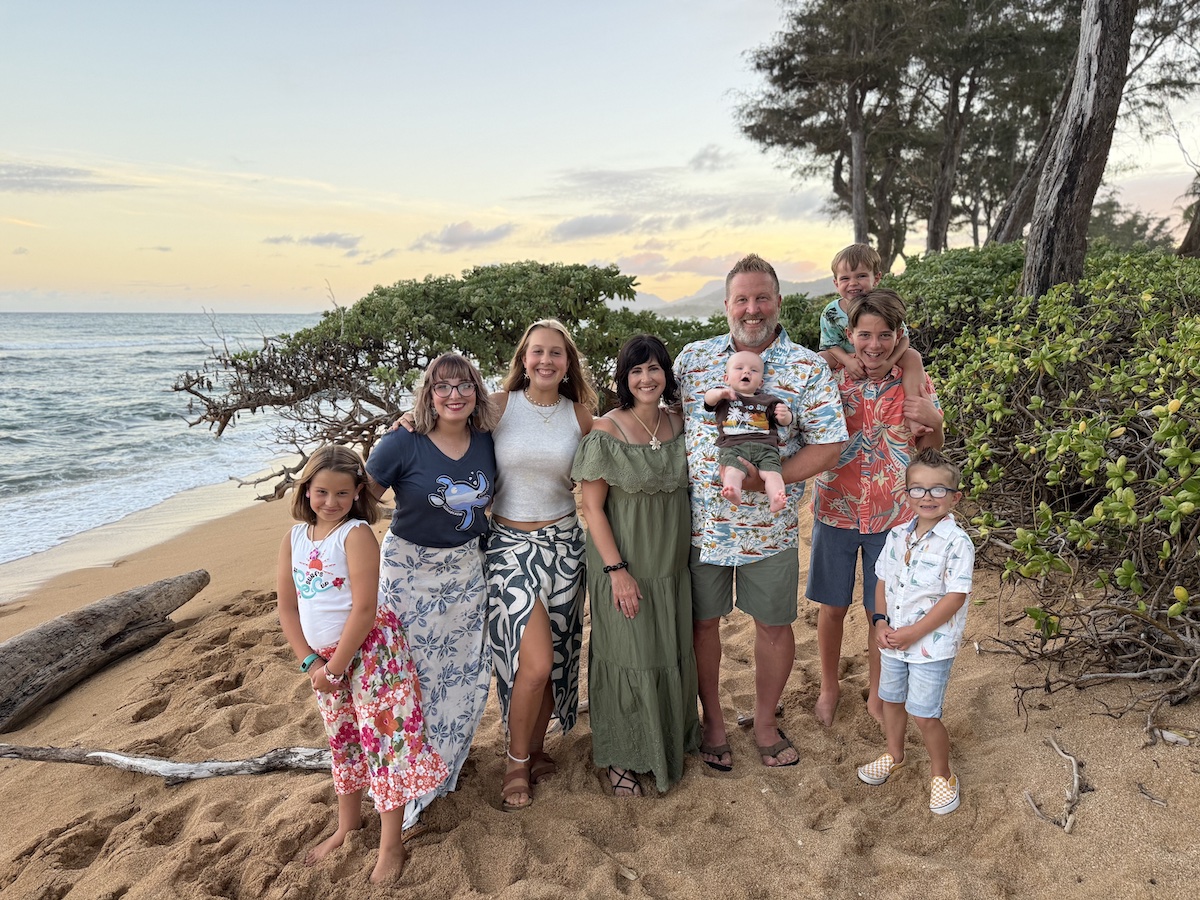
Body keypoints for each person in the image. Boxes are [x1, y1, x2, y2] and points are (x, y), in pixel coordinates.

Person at [675, 253, 848, 771]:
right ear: (726, 305)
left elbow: (828, 447)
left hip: (770, 530)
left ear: (778, 301)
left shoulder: (807, 367)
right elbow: (646, 411)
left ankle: (767, 720)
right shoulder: (692, 360)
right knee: (704, 626)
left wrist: (765, 482)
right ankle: (713, 722)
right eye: (742, 300)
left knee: (773, 626)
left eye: (762, 298)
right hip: (701, 526)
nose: (752, 310)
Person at [276, 446, 448, 883]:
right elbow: (288, 609)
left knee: (385, 744)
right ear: (306, 491)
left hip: (371, 655)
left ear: (356, 494)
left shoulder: (355, 535)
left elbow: (365, 609)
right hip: (324, 664)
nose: (330, 502)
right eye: (321, 492)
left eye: (341, 493)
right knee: (344, 739)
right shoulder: (294, 539)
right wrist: (310, 661)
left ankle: (391, 842)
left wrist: (336, 667)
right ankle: (347, 823)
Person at [365, 354, 498, 835]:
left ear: (476, 391)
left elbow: (533, 406)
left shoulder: (487, 436)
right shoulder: (402, 441)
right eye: (442, 387)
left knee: (461, 677)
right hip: (407, 574)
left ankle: (440, 772)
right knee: (411, 678)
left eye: (464, 385)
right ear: (428, 394)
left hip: (465, 570)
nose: (454, 395)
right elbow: (361, 501)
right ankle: (407, 780)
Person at [807, 288, 945, 728]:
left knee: (879, 611)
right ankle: (830, 687)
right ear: (850, 333)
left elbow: (929, 454)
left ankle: (877, 695)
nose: (874, 344)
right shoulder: (829, 378)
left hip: (893, 517)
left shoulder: (914, 380)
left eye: (885, 335)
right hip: (835, 508)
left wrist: (938, 424)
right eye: (865, 334)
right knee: (830, 607)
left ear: (898, 334)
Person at [572, 334, 701, 796]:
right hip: (623, 562)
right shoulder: (606, 431)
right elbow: (592, 510)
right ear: (624, 379)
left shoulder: (682, 423)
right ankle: (623, 756)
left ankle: (666, 742)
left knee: (667, 649)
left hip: (672, 564)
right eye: (635, 371)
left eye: (654, 369)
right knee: (629, 654)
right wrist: (617, 572)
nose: (646, 378)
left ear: (666, 374)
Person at [486, 319, 595, 811]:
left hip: (566, 546)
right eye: (537, 353)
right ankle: (514, 762)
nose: (546, 361)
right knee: (534, 664)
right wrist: (407, 422)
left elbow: (613, 462)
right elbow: (440, 416)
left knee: (557, 658)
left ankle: (534, 748)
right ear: (523, 359)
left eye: (556, 353)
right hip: (508, 547)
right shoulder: (499, 406)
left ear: (568, 362)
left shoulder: (584, 414)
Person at [857, 448, 974, 815]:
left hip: (930, 647)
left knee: (924, 714)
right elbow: (880, 581)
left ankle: (943, 775)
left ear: (954, 497)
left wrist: (913, 633)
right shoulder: (895, 537)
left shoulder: (957, 544)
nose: (927, 498)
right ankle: (894, 754)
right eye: (918, 490)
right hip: (892, 640)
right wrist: (879, 620)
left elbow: (955, 597)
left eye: (938, 490)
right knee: (891, 699)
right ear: (905, 494)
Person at [818, 243, 931, 437]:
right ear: (836, 283)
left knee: (912, 356)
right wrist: (848, 361)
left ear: (876, 278)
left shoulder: (884, 305)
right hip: (845, 353)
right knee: (819, 360)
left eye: (861, 276)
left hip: (882, 353)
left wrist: (889, 362)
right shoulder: (831, 312)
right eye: (845, 278)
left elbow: (903, 338)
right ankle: (819, 417)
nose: (853, 283)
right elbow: (829, 344)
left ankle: (913, 415)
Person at [702, 349, 794, 512]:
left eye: (753, 370)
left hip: (766, 448)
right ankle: (733, 491)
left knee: (772, 474)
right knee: (732, 470)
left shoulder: (769, 400)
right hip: (733, 447)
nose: (746, 372)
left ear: (760, 383)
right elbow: (708, 399)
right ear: (726, 378)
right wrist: (719, 393)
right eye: (739, 368)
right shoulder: (724, 398)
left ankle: (776, 498)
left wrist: (784, 415)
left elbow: (785, 421)